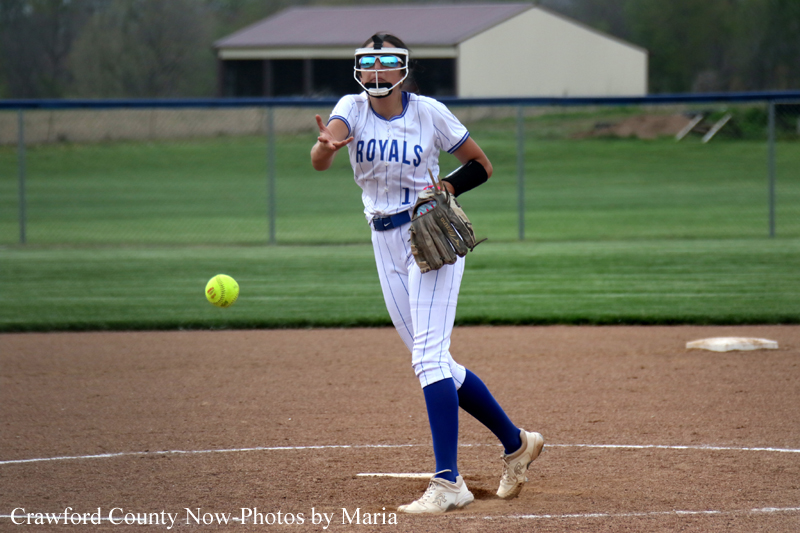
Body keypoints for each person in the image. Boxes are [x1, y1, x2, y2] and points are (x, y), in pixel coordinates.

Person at [310, 33, 544, 514]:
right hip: (383, 240)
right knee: (433, 359)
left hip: (429, 236)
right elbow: (320, 157)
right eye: (368, 62)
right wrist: (327, 146)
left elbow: (480, 165)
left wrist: (445, 187)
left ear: (403, 69)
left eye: (386, 62)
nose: (376, 72)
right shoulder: (351, 108)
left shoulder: (429, 112)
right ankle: (517, 443)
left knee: (429, 358)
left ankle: (448, 481)